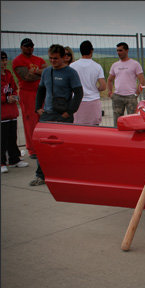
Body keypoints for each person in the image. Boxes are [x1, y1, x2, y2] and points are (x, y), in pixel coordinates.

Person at [29, 44, 83, 186]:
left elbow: (78, 93)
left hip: (63, 115)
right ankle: (40, 175)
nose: (53, 61)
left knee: (63, 147)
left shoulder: (70, 73)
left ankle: (65, 175)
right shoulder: (46, 72)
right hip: (47, 114)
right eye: (50, 58)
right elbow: (41, 90)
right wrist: (37, 108)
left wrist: (69, 112)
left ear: (63, 57)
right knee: (43, 147)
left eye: (56, 58)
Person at [12, 38, 48, 159]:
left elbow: (47, 71)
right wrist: (40, 73)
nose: (29, 48)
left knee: (42, 119)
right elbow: (26, 77)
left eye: (31, 46)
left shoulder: (38, 59)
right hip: (27, 94)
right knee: (30, 121)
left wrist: (35, 71)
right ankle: (32, 149)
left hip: (41, 92)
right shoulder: (18, 61)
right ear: (21, 47)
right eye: (27, 46)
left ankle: (42, 145)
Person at [1, 51, 29, 173]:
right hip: (2, 113)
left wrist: (13, 96)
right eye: (1, 60)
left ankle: (14, 159)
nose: (4, 62)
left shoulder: (8, 74)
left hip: (11, 112)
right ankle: (2, 162)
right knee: (2, 139)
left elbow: (14, 88)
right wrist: (6, 98)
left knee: (13, 137)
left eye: (5, 60)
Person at [107, 42, 145, 126]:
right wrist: (110, 93)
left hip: (131, 97)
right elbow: (109, 80)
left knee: (133, 121)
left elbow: (142, 80)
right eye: (117, 51)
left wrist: (136, 94)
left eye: (120, 50)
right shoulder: (115, 65)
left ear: (127, 51)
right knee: (117, 122)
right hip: (117, 97)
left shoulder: (135, 64)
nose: (118, 53)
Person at [71, 40, 107, 125]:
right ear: (92, 50)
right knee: (94, 128)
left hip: (77, 101)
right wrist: (95, 89)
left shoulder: (72, 66)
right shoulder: (97, 66)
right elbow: (103, 86)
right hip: (93, 100)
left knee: (78, 128)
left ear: (80, 51)